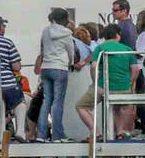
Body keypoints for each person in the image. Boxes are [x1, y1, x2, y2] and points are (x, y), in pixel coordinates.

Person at [77, 24, 136, 137]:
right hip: (123, 88)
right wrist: (130, 83)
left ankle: (96, 132)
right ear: (118, 35)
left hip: (104, 87)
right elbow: (135, 70)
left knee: (81, 106)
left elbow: (94, 66)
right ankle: (119, 133)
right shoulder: (127, 49)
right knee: (118, 108)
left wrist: (95, 82)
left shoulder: (100, 48)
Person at [36, 8, 76, 140]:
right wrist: (71, 63)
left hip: (46, 67)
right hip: (60, 68)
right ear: (64, 20)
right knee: (57, 102)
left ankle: (41, 135)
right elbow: (71, 52)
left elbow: (42, 47)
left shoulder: (45, 31)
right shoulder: (67, 34)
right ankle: (57, 135)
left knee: (46, 101)